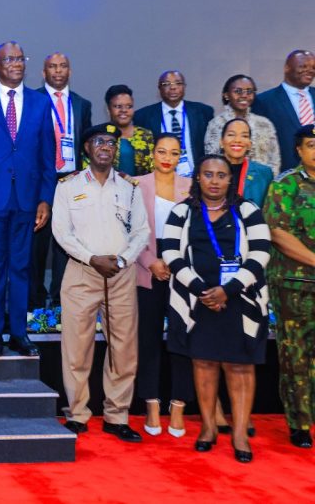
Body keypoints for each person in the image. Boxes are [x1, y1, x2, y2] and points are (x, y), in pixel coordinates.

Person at [161, 155, 270, 463]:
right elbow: (170, 253)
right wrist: (202, 290)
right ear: (198, 178)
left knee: (240, 367)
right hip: (198, 300)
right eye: (207, 174)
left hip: (240, 299)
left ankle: (238, 435)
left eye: (221, 175)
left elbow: (261, 253)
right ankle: (208, 428)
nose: (214, 180)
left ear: (229, 180)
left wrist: (228, 290)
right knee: (204, 364)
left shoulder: (248, 210)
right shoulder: (182, 211)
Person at [51, 123, 149, 442]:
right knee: (77, 348)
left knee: (123, 348)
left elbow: (141, 232)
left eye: (111, 142)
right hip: (82, 272)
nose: (106, 146)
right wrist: (92, 259)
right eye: (98, 142)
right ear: (86, 150)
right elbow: (62, 232)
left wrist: (120, 260)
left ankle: (116, 415)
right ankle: (78, 414)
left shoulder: (130, 187)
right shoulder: (67, 186)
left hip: (120, 274)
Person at [0, 41, 54, 357]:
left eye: (20, 58)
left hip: (28, 199)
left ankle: (19, 333)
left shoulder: (40, 103)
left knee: (21, 267)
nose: (16, 64)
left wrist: (45, 198)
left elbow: (48, 156)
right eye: (9, 59)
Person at [134, 133, 193, 438]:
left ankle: (179, 403)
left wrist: (178, 265)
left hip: (183, 274)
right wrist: (150, 262)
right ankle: (152, 403)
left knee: (182, 340)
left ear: (180, 156)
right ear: (152, 154)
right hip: (148, 271)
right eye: (161, 151)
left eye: (173, 152)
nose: (167, 157)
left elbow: (196, 233)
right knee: (149, 339)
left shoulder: (191, 187)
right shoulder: (136, 185)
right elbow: (130, 231)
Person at [263, 124, 315, 449]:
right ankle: (300, 424)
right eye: (311, 145)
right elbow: (278, 234)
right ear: (299, 150)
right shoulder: (286, 185)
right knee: (296, 355)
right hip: (295, 285)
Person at [31, 52, 92, 309]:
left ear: (69, 71)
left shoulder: (82, 104)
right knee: (37, 243)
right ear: (44, 72)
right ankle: (34, 300)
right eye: (52, 67)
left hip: (71, 179)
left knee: (65, 243)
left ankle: (59, 299)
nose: (58, 71)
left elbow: (85, 146)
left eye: (63, 66)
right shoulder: (33, 100)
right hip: (39, 180)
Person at [134, 70, 214, 177]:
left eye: (178, 83)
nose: (173, 87)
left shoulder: (203, 112)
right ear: (159, 88)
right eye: (166, 84)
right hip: (160, 178)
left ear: (184, 87)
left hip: (196, 178)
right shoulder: (142, 116)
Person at [204, 75, 280, 174]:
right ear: (226, 95)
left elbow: (274, 160)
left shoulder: (264, 124)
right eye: (238, 91)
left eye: (249, 92)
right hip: (228, 184)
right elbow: (212, 160)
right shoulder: (216, 124)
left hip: (261, 184)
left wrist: (268, 182)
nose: (244, 95)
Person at [253, 50, 315, 172]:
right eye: (303, 66)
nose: (310, 70)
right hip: (284, 180)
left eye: (313, 67)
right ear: (287, 68)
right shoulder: (264, 101)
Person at [219, 118, 274, 207]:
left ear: (249, 144)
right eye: (231, 135)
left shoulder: (264, 174)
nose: (237, 140)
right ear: (221, 142)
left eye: (244, 136)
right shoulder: (208, 171)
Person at [104, 85, 154, 176]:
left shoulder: (146, 135)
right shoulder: (99, 135)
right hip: (107, 189)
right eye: (118, 106)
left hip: (141, 188)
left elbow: (153, 170)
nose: (124, 110)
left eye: (129, 106)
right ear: (108, 109)